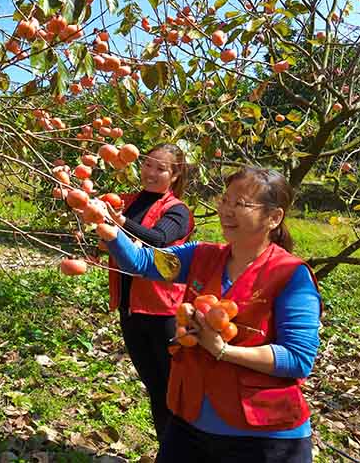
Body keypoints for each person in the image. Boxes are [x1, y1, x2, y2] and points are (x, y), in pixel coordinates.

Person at [96, 166, 322, 463]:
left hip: (262, 437)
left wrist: (223, 351)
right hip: (191, 422)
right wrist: (110, 231)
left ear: (274, 217)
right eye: (225, 200)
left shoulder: (291, 275)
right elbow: (143, 262)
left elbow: (298, 359)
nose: (226, 211)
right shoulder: (201, 256)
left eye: (239, 204)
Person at [103, 143, 194, 440]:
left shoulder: (177, 211)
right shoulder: (127, 201)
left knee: (173, 389)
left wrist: (119, 224)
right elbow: (114, 241)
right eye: (148, 165)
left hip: (163, 311)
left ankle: (184, 449)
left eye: (161, 168)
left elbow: (159, 238)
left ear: (175, 174)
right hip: (130, 307)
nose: (151, 173)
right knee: (155, 387)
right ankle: (168, 449)